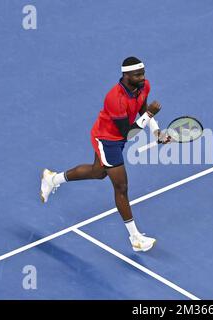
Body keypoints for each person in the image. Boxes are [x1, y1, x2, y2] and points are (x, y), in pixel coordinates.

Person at [40, 57, 170, 252]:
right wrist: (150, 116)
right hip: (107, 139)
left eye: (143, 73)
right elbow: (128, 132)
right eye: (137, 75)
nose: (143, 78)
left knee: (98, 172)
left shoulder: (144, 86)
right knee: (121, 187)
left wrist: (156, 132)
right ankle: (135, 238)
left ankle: (52, 179)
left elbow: (142, 110)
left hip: (121, 136)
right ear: (125, 75)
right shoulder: (114, 98)